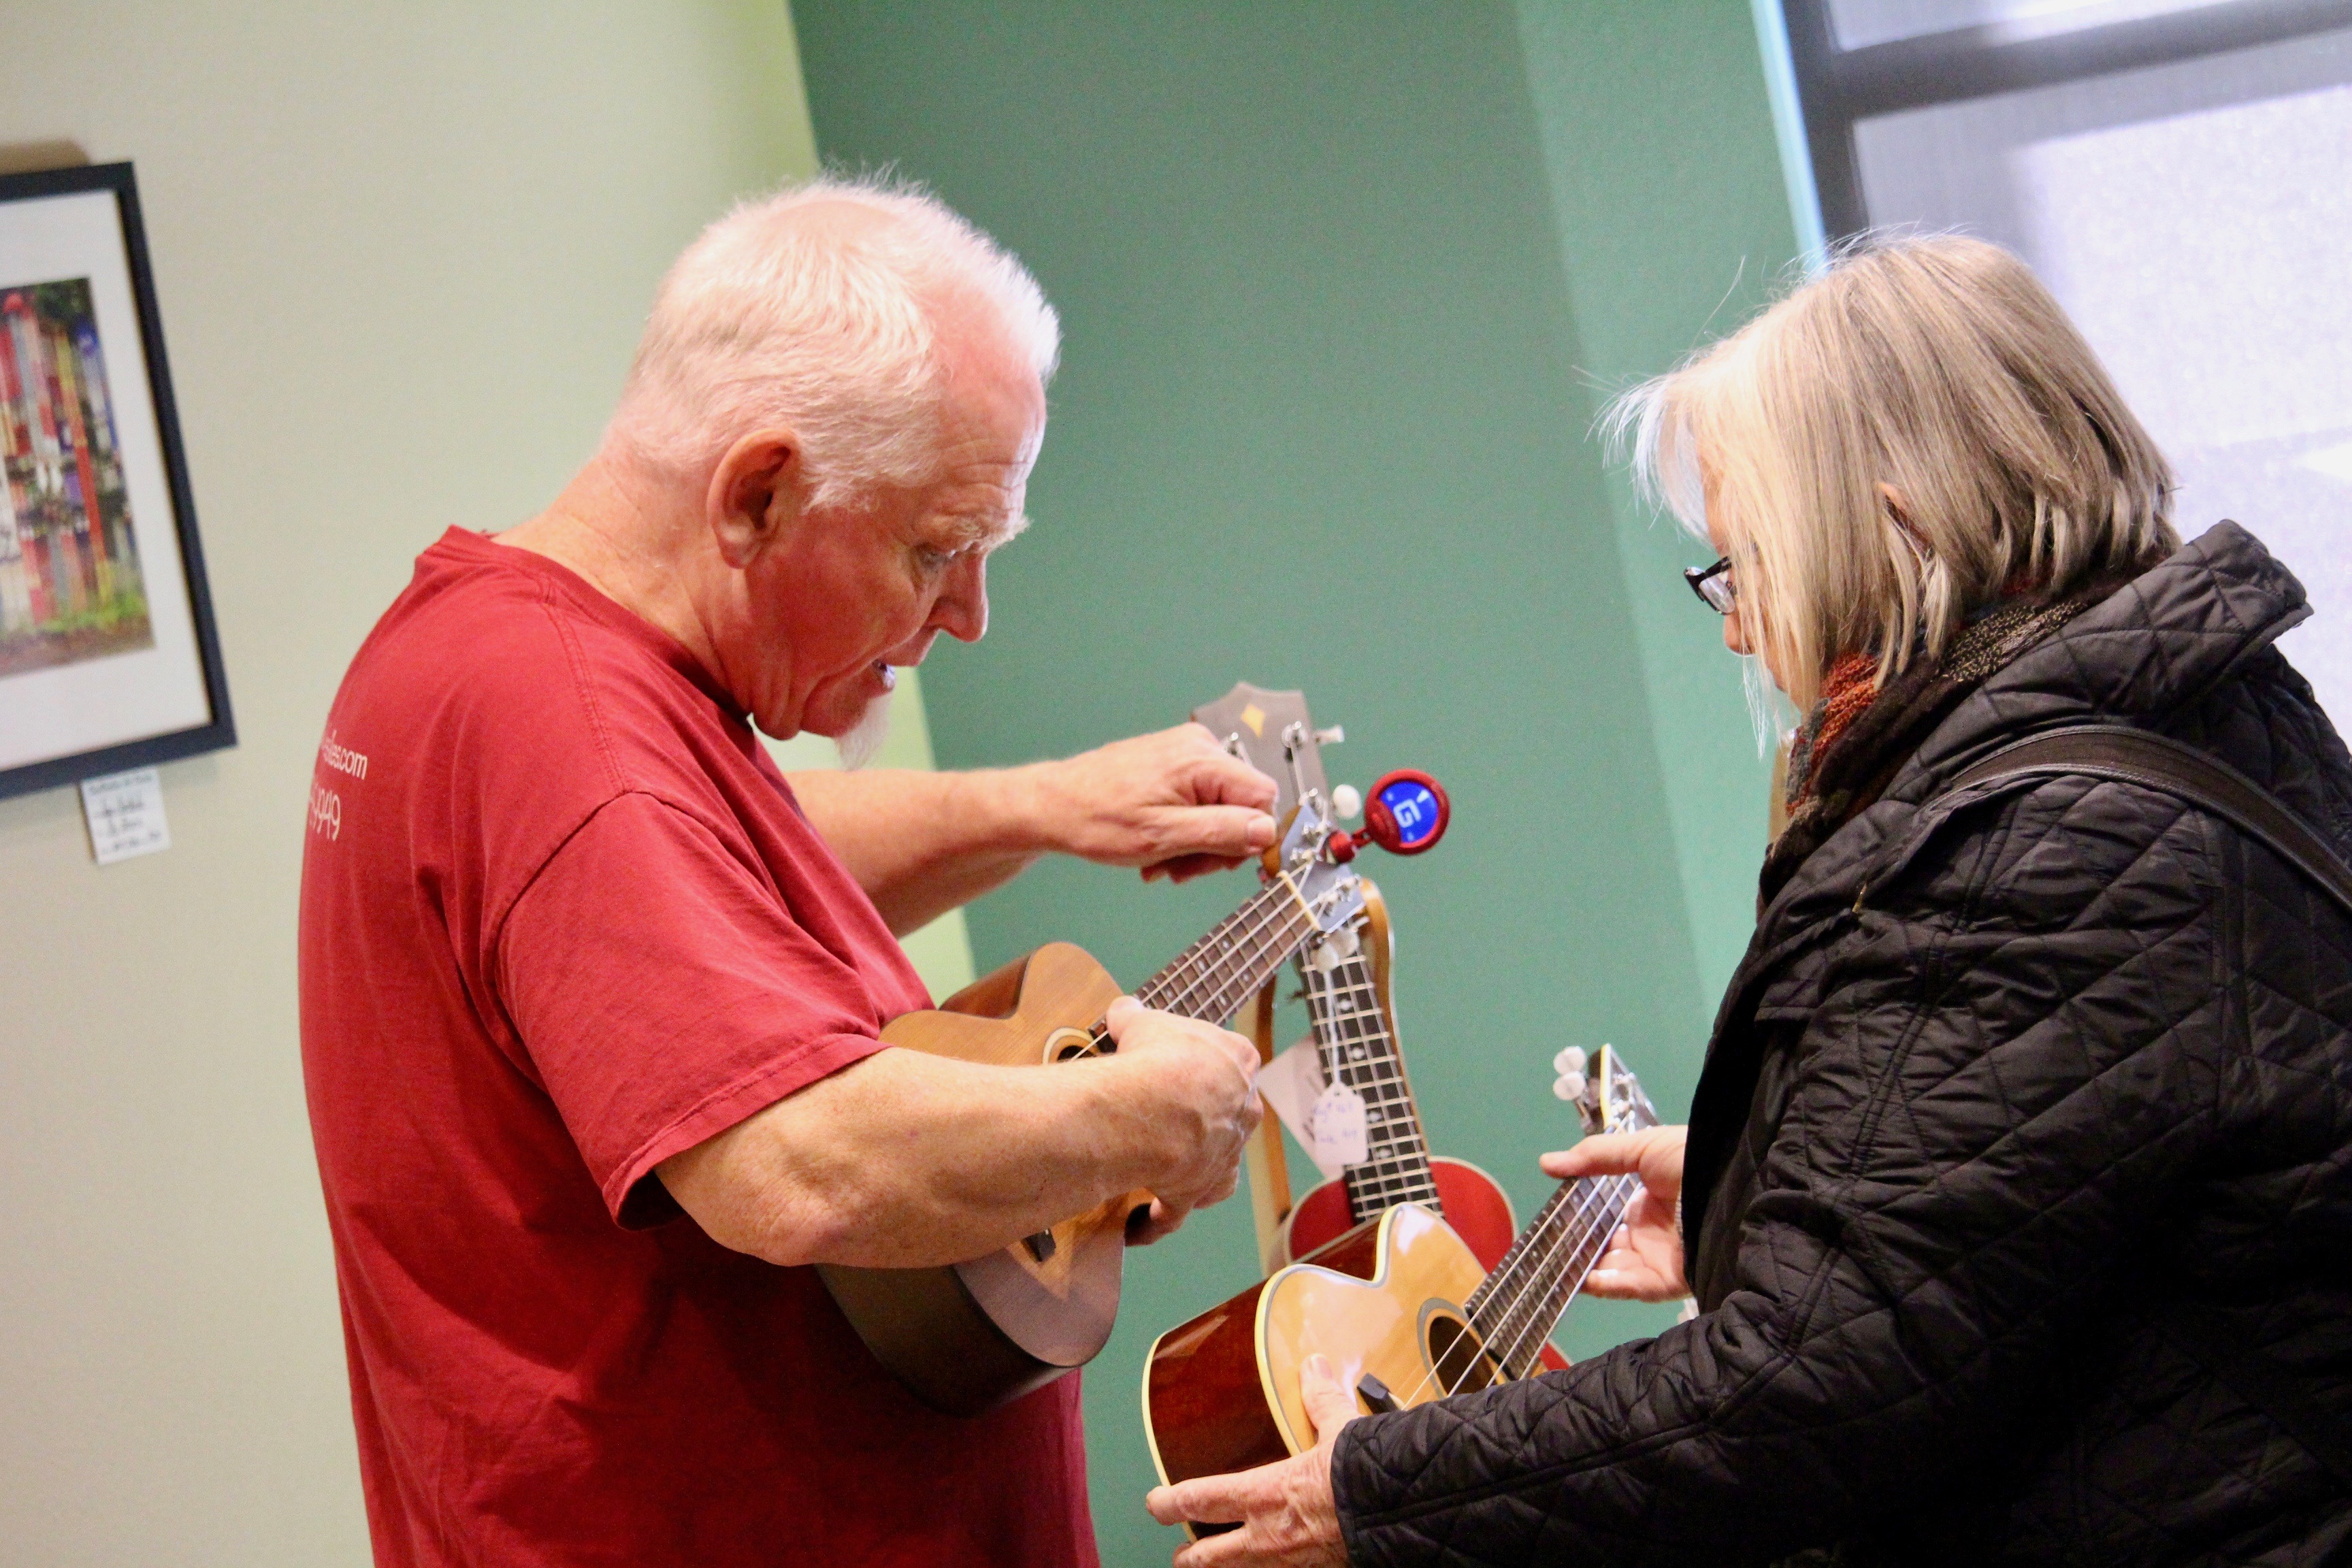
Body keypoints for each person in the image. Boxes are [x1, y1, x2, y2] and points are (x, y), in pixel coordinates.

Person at [1147, 234, 2352, 1565]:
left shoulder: (2037, 848)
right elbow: (2056, 1191)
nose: (1734, 629)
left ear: (1891, 525)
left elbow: (1811, 1388)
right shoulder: (2210, 715)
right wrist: (1763, 1187)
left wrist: (1379, 1495)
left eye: (1745, 569)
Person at [299, 179, 1281, 1568]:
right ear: (757, 492)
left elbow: (697, 897)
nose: (970, 615)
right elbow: (798, 1167)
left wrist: (1043, 806)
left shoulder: (526, 672)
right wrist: (1147, 1119)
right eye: (936, 550)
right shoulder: (562, 728)